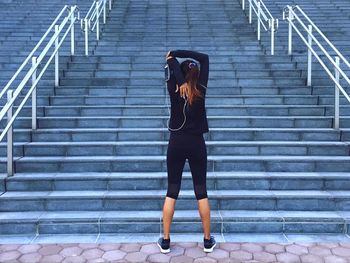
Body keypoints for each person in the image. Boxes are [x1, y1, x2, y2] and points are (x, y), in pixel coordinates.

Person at [157, 50, 216, 254]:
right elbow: (204, 58)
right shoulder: (201, 87)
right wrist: (182, 53)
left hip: (176, 143)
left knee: (172, 190)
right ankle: (207, 241)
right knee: (201, 191)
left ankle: (165, 241)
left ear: (179, 74)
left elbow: (170, 60)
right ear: (197, 74)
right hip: (196, 143)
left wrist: (174, 56)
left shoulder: (173, 87)